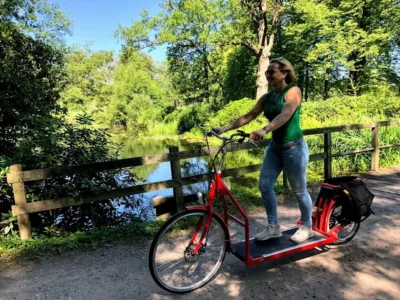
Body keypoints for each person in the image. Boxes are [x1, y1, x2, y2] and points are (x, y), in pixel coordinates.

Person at [212, 57, 314, 243]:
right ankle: (273, 227)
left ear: (284, 73)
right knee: (265, 186)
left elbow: (286, 113)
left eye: (272, 72)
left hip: (294, 148)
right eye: (266, 72)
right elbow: (248, 116)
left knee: (299, 190)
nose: (268, 75)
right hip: (275, 148)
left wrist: (265, 129)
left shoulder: (293, 91)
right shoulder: (267, 97)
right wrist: (224, 128)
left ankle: (307, 226)